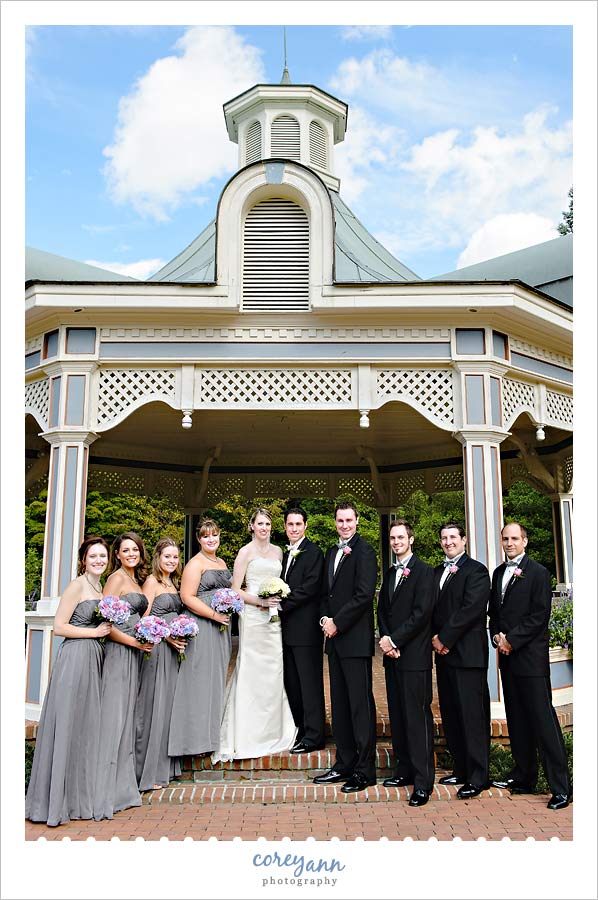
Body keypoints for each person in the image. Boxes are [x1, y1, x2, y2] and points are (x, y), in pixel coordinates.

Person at [26, 537, 112, 826]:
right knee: (68, 723)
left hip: (94, 659)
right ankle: (54, 803)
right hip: (75, 659)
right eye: (93, 556)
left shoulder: (99, 587)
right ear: (83, 560)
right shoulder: (77, 585)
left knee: (85, 727)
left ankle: (78, 799)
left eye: (102, 555)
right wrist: (95, 633)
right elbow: (61, 627)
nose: (99, 560)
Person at [489, 522, 571, 810]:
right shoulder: (498, 573)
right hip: (507, 660)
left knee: (543, 722)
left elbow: (539, 616)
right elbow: (494, 613)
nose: (509, 543)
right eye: (505, 539)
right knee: (518, 721)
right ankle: (524, 776)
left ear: (525, 541)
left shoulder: (538, 572)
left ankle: (561, 787)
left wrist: (512, 640)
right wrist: (497, 636)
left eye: (514, 538)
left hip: (530, 660)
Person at [212, 508, 297, 762]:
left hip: (274, 619)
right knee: (251, 668)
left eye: (268, 523)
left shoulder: (279, 552)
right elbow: (235, 590)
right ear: (251, 526)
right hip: (252, 616)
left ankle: (274, 730)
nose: (264, 528)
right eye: (260, 523)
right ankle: (248, 734)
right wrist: (260, 602)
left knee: (273, 670)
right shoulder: (245, 553)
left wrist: (276, 599)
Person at [314, 500, 378, 794]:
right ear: (335, 522)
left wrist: (338, 622)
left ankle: (364, 771)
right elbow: (327, 593)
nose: (344, 525)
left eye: (349, 520)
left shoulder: (365, 552)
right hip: (334, 640)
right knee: (339, 705)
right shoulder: (331, 551)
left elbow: (364, 595)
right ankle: (343, 763)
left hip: (354, 640)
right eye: (340, 520)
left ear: (357, 521)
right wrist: (326, 618)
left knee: (359, 707)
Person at [93, 531, 153, 821]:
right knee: (114, 718)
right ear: (117, 553)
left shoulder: (136, 581)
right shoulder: (116, 579)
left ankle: (123, 789)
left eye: (135, 550)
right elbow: (104, 622)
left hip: (135, 654)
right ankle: (103, 792)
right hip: (119, 653)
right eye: (125, 550)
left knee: (127, 718)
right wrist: (133, 642)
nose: (131, 554)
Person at [377, 520, 435, 807]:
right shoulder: (389, 574)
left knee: (417, 718)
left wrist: (396, 641)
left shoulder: (425, 572)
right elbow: (382, 611)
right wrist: (386, 640)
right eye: (392, 538)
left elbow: (422, 613)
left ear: (411, 539)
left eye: (401, 537)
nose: (396, 541)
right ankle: (404, 771)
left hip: (414, 656)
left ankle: (423, 782)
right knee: (398, 716)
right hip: (392, 657)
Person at [432, 522, 491, 799]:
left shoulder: (477, 571)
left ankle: (479, 776)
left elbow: (471, 609)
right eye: (444, 538)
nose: (448, 542)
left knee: (471, 716)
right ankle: (461, 767)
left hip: (467, 656)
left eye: (453, 537)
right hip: (444, 657)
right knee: (452, 714)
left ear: (464, 540)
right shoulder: (436, 572)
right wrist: (433, 638)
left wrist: (444, 638)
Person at [168, 519, 233, 758]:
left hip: (220, 629)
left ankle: (209, 737)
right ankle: (192, 743)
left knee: (214, 682)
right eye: (206, 536)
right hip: (204, 627)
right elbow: (187, 597)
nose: (211, 539)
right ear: (199, 539)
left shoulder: (221, 561)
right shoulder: (195, 564)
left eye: (214, 535)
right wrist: (215, 615)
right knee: (198, 682)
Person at [135, 537, 187, 791]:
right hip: (157, 651)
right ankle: (147, 772)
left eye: (175, 557)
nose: (172, 561)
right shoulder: (151, 583)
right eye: (167, 556)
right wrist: (168, 636)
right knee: (153, 706)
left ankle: (164, 767)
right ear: (158, 557)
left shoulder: (173, 583)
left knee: (167, 706)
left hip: (173, 651)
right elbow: (144, 620)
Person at [280, 506, 326, 754]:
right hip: (285, 632)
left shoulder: (314, 553)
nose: (294, 528)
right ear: (285, 526)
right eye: (290, 524)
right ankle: (299, 730)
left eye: (298, 524)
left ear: (305, 525)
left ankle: (314, 735)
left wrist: (281, 604)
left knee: (309, 685)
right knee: (293, 684)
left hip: (306, 631)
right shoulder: (284, 555)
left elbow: (310, 587)